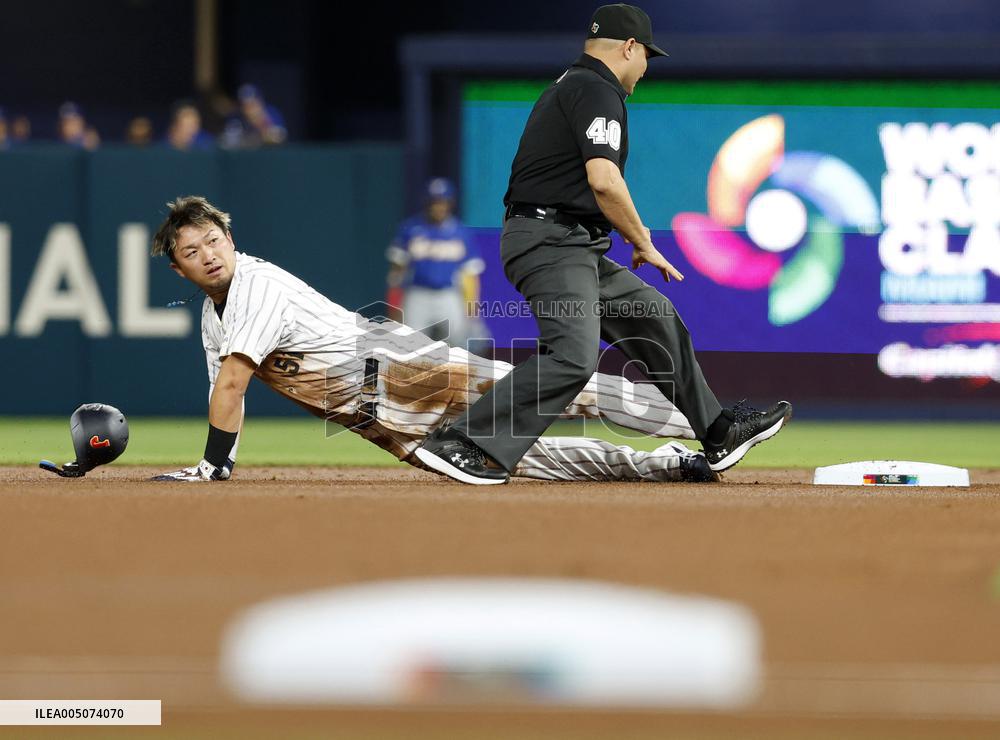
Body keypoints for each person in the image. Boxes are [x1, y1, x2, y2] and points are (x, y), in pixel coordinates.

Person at [414, 4, 792, 485]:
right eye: (647, 57)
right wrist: (642, 239)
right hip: (550, 239)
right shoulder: (597, 88)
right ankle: (465, 442)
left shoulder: (576, 85)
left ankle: (718, 432)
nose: (646, 68)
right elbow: (605, 180)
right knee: (572, 356)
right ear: (629, 48)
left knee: (653, 316)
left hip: (572, 241)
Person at [149, 195, 717, 484]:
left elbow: (233, 381)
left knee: (561, 394)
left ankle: (710, 425)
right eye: (191, 252)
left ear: (229, 236)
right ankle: (671, 466)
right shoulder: (212, 316)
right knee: (533, 461)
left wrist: (213, 466)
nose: (208, 255)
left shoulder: (256, 282)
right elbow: (229, 397)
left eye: (212, 239)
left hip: (394, 365)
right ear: (179, 269)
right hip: (378, 421)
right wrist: (217, 460)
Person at [386, 177, 488, 351]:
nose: (438, 206)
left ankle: (460, 377)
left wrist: (471, 308)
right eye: (434, 202)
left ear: (450, 203)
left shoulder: (461, 232)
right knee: (407, 344)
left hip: (448, 294)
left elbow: (470, 276)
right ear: (427, 203)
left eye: (442, 201)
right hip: (417, 294)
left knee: (463, 342)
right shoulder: (410, 228)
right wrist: (394, 306)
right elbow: (396, 274)